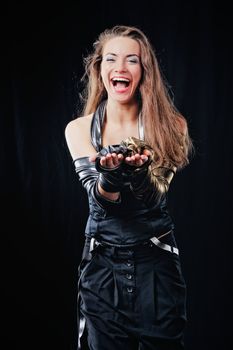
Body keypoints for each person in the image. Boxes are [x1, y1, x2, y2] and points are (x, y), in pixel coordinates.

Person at [65, 25, 193, 350]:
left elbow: (156, 195)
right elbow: (101, 201)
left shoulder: (172, 126)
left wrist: (138, 173)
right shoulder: (79, 129)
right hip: (102, 268)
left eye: (131, 60)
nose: (120, 67)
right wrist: (109, 177)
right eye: (111, 59)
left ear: (144, 71)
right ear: (100, 69)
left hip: (157, 265)